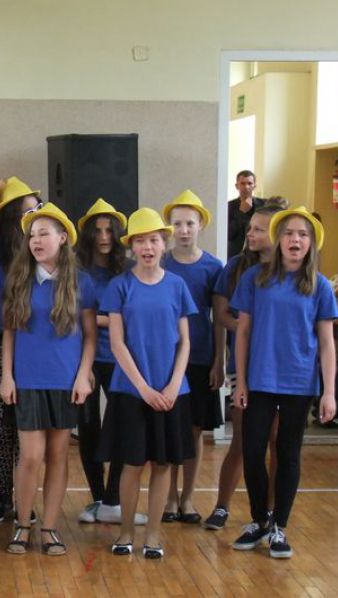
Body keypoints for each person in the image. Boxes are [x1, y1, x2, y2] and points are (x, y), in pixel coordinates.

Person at [231, 206, 338, 559]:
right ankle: (259, 520)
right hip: (260, 381)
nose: (296, 239)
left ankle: (280, 525)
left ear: (311, 243)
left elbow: (327, 344)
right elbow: (242, 333)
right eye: (290, 233)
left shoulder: (320, 286)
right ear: (278, 240)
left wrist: (329, 392)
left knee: (288, 453)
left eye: (303, 235)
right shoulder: (255, 279)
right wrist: (241, 381)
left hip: (299, 383)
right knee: (252, 451)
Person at [98, 207, 197, 559]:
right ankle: (126, 531)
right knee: (132, 463)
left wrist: (172, 386)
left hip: (172, 392)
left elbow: (185, 342)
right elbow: (117, 343)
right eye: (140, 241)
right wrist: (143, 388)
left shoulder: (177, 286)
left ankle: (153, 536)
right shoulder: (120, 286)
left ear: (163, 243)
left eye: (154, 240)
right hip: (131, 391)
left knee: (164, 464)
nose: (148, 247)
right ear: (132, 247)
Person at [1, 203, 96, 556]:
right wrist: (7, 376)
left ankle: (50, 528)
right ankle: (23, 523)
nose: (36, 240)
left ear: (63, 238)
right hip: (28, 381)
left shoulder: (81, 282)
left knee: (58, 455)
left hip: (65, 381)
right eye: (32, 235)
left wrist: (83, 376)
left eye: (44, 233)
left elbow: (90, 336)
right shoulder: (19, 280)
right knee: (30, 456)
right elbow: (9, 332)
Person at [204, 201, 286, 530]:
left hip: (280, 369)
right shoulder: (237, 267)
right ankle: (222, 506)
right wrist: (248, 329)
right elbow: (221, 314)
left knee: (278, 442)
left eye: (258, 229)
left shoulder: (292, 270)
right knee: (242, 439)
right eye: (250, 228)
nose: (250, 234)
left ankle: (271, 513)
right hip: (246, 365)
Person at [0, 176, 42, 524]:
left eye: (37, 209)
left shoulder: (39, 252)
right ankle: (3, 495)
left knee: (28, 428)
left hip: (33, 345)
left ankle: (25, 497)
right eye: (28, 210)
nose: (34, 215)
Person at [74, 199, 144, 526]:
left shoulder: (129, 269)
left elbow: (133, 315)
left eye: (109, 230)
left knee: (120, 427)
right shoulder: (76, 268)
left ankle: (114, 499)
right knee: (88, 428)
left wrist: (97, 318)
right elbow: (73, 316)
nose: (103, 237)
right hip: (84, 358)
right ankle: (98, 497)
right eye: (97, 230)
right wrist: (108, 318)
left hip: (121, 359)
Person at [160, 190, 225, 524]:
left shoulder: (213, 267)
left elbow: (219, 319)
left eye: (190, 223)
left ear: (201, 225)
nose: (183, 230)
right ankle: (169, 497)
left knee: (195, 430)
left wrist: (219, 361)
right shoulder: (161, 262)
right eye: (177, 224)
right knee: (171, 428)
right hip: (166, 360)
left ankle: (188, 497)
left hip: (199, 358)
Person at [227, 170, 266, 260]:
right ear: (237, 186)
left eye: (249, 183)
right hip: (236, 255)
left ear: (254, 186)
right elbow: (229, 234)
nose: (246, 187)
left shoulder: (264, 204)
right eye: (243, 183)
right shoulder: (228, 206)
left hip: (259, 254)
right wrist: (241, 212)